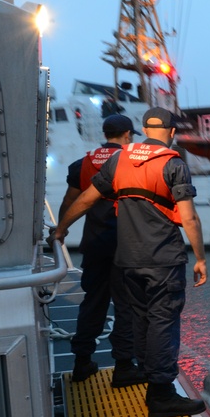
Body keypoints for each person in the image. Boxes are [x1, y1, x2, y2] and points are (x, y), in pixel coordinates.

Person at [54, 107, 208, 417]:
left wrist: (60, 229)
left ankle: (140, 373)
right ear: (172, 133)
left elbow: (84, 199)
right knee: (163, 321)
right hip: (163, 258)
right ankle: (161, 393)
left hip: (126, 259)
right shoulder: (173, 163)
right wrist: (201, 258)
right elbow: (188, 217)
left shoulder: (118, 159)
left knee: (140, 319)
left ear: (143, 130)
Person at [59, 113, 146, 387]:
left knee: (93, 303)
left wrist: (61, 230)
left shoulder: (82, 164)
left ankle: (82, 362)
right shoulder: (135, 162)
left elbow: (70, 201)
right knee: (127, 306)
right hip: (126, 245)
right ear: (128, 135)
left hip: (94, 244)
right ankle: (123, 366)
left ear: (105, 133)